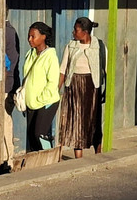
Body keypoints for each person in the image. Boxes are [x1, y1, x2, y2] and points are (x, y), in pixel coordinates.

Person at [58, 16, 105, 159]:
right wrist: (56, 90)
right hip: (74, 87)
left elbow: (105, 69)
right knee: (76, 121)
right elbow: (63, 70)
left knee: (93, 120)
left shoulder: (99, 46)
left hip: (92, 87)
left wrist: (106, 91)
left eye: (76, 30)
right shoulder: (71, 46)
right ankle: (79, 158)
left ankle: (98, 154)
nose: (73, 32)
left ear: (85, 32)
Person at [23, 21, 61, 152]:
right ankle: (34, 166)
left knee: (39, 134)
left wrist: (40, 99)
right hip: (31, 103)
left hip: (46, 102)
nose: (30, 39)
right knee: (31, 136)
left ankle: (49, 159)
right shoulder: (30, 54)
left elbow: (52, 83)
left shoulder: (51, 57)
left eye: (33, 36)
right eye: (29, 36)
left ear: (43, 37)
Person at [0, 20, 20, 173]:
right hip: (10, 82)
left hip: (5, 84)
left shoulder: (2, 32)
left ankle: (7, 159)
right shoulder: (10, 31)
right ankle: (6, 158)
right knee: (5, 121)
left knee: (4, 122)